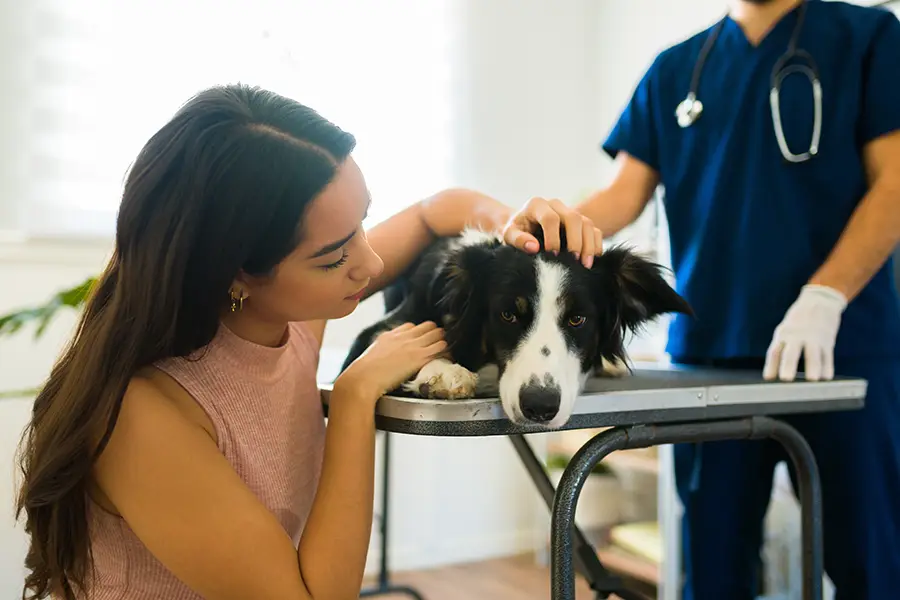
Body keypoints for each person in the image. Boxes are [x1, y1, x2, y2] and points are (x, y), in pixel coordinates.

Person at [13, 83, 603, 600]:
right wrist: (354, 395)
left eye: (363, 224)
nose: (369, 262)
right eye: (333, 256)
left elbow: (433, 213)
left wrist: (514, 228)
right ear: (235, 275)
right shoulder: (145, 415)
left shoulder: (284, 322)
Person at [504, 0, 900, 598]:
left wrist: (826, 294)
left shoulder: (868, 37)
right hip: (709, 356)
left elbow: (895, 182)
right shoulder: (677, 69)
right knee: (711, 570)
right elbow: (623, 195)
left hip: (841, 351)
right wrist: (540, 227)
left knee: (871, 564)